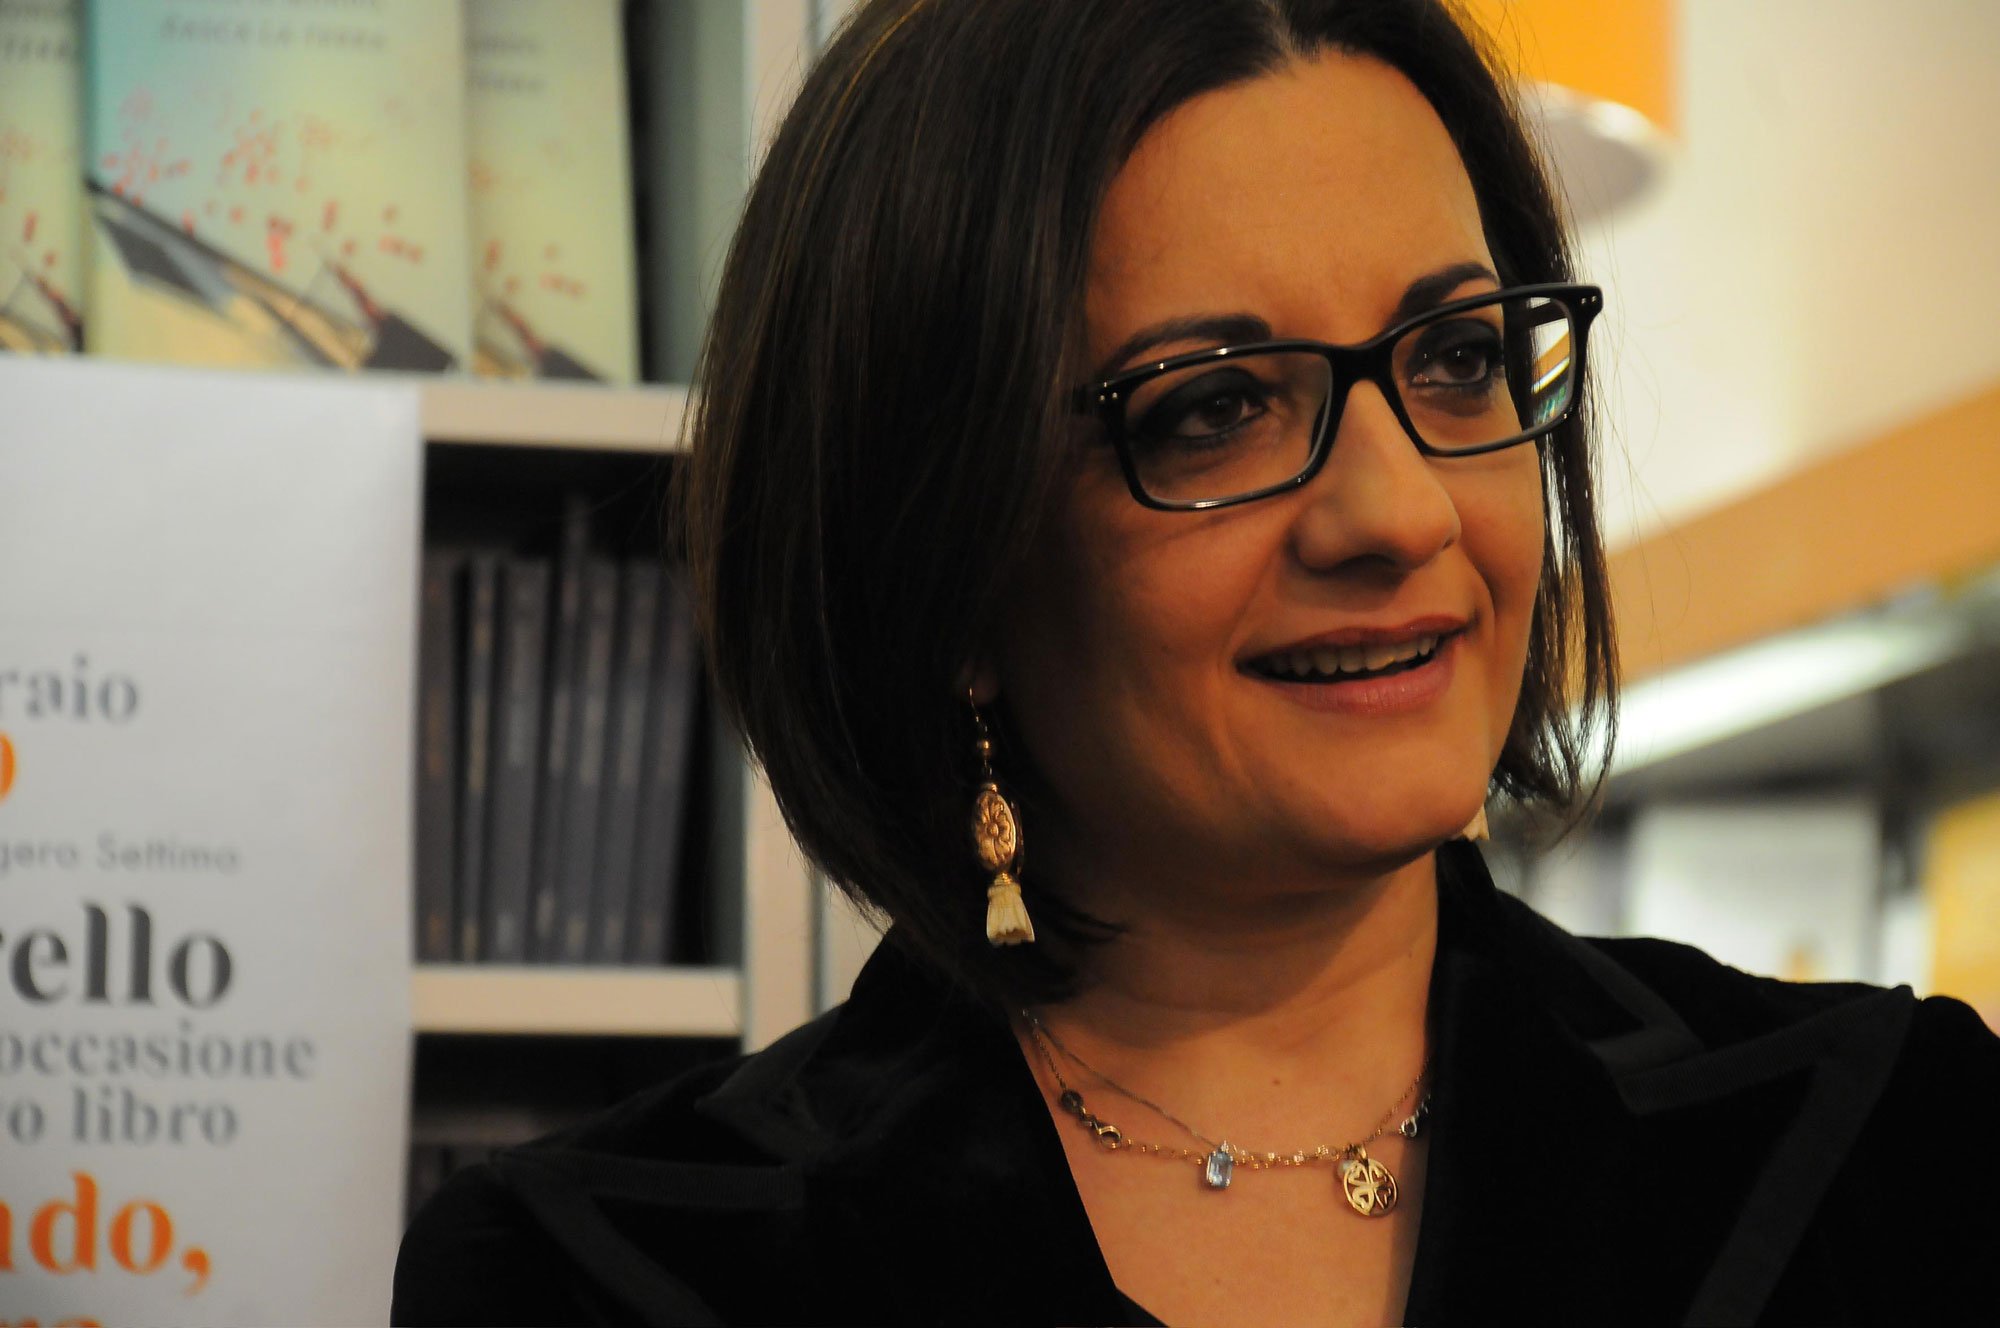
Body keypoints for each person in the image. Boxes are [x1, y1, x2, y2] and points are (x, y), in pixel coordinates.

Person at [392, 1, 2000, 1323]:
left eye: (1456, 358)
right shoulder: (595, 1277)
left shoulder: (1890, 1148)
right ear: (946, 558)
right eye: (1215, 406)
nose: (1398, 510)